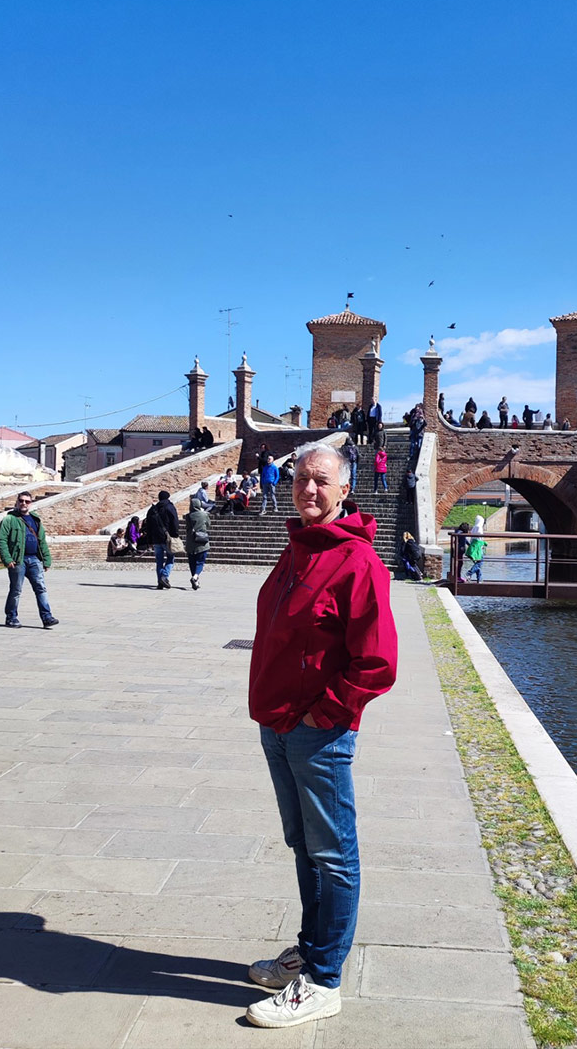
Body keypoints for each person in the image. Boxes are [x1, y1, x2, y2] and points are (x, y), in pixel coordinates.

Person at [245, 441, 397, 1029]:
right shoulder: (297, 548)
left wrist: (324, 713)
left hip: (318, 733)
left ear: (344, 490)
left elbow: (377, 663)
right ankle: (309, 953)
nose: (309, 489)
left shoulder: (358, 562)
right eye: (300, 479)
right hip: (277, 725)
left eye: (321, 481)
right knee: (303, 846)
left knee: (333, 853)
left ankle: (325, 980)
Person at [0, 490, 58, 629]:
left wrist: (47, 559)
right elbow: (1, 540)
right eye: (21, 501)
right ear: (17, 502)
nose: (24, 503)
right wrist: (7, 559)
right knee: (16, 590)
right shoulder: (9, 519)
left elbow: (42, 541)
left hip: (34, 560)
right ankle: (11, 617)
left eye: (27, 501)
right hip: (18, 560)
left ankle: (47, 617)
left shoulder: (36, 520)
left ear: (31, 503)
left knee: (41, 588)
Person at [144, 490, 179, 589]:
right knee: (170, 558)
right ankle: (164, 576)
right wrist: (175, 535)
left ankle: (160, 581)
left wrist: (149, 540)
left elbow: (148, 527)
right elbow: (175, 522)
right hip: (167, 538)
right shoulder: (170, 507)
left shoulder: (152, 509)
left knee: (159, 561)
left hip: (155, 538)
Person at [185, 495, 211, 590]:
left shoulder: (188, 516)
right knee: (200, 561)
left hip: (191, 541)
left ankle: (195, 579)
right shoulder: (204, 514)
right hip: (202, 541)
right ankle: (195, 577)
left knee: (192, 562)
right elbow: (208, 525)